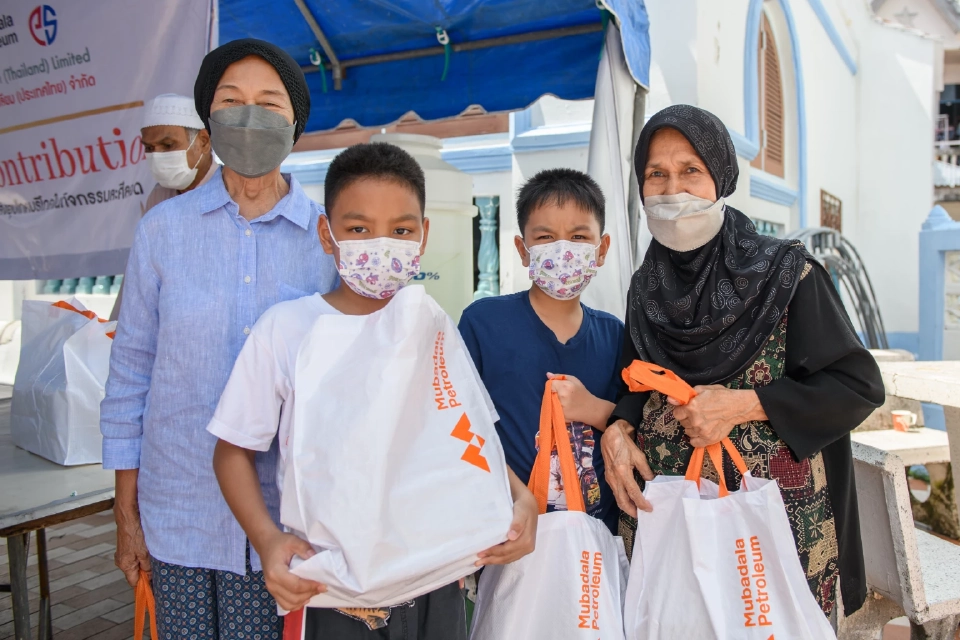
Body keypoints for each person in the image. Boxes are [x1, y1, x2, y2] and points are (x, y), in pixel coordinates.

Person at [208, 142, 538, 639]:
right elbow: (231, 450)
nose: (381, 245)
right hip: (331, 592)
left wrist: (522, 499)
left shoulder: (430, 324)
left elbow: (469, 438)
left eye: (401, 230)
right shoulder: (286, 329)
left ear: (423, 237)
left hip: (435, 578)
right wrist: (266, 538)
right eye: (358, 228)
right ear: (327, 233)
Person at [601, 105, 884, 622]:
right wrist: (618, 427)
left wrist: (743, 405)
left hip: (775, 528)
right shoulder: (646, 289)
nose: (671, 190)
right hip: (672, 526)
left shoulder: (788, 275)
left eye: (691, 171)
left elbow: (857, 385)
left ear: (721, 177)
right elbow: (634, 382)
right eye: (655, 175)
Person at [100, 39, 339, 639]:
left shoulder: (328, 240)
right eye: (231, 101)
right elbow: (130, 376)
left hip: (283, 526)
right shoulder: (162, 233)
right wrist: (126, 516)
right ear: (208, 123)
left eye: (269, 102)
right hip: (176, 514)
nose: (249, 116)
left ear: (296, 123)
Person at [459, 168, 622, 533]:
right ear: (522, 249)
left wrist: (593, 409)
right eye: (546, 237)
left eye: (579, 237)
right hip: (509, 533)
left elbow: (635, 427)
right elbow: (458, 426)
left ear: (602, 249)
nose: (563, 250)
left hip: (596, 541)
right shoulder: (483, 324)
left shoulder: (616, 336)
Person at [109, 93, 217, 322]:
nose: (157, 156)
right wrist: (115, 328)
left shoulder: (231, 193)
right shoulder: (158, 197)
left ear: (204, 142)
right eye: (149, 148)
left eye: (168, 145)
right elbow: (139, 273)